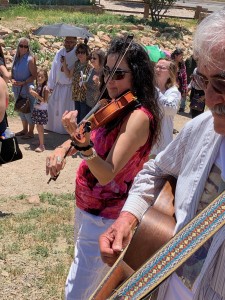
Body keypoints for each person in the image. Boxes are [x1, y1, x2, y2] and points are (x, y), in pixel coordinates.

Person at [99, 10, 225, 300]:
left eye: (221, 84)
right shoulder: (200, 129)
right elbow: (154, 170)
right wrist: (127, 219)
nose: (208, 99)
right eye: (203, 81)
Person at [46, 37, 161, 300]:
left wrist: (85, 149)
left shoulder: (138, 117)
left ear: (137, 76)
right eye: (107, 71)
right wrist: (62, 149)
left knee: (76, 292)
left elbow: (107, 173)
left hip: (106, 218)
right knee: (90, 284)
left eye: (119, 74)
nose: (110, 79)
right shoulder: (108, 105)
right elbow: (82, 134)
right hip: (87, 209)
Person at [45, 36, 77, 134]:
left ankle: (67, 129)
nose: (68, 43)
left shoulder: (77, 54)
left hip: (69, 87)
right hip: (58, 85)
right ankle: (55, 127)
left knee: (66, 109)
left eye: (71, 42)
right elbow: (54, 69)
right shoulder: (59, 53)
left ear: (75, 42)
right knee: (55, 107)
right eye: (66, 41)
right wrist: (50, 85)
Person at [151, 58, 181, 156]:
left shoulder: (173, 92)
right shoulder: (148, 89)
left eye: (162, 68)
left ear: (170, 73)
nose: (157, 69)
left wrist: (154, 90)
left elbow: (169, 109)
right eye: (157, 66)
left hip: (161, 143)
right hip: (145, 139)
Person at [11, 37, 37, 139]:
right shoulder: (16, 57)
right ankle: (24, 129)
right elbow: (12, 71)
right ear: (18, 46)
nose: (23, 48)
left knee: (28, 110)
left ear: (28, 48)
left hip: (26, 88)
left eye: (25, 46)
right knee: (21, 108)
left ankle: (30, 132)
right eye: (21, 46)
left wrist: (24, 82)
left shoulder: (30, 59)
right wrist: (12, 79)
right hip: (16, 87)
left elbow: (34, 75)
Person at [62, 43, 92, 124]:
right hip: (76, 94)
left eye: (82, 52)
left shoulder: (90, 66)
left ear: (87, 53)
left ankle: (81, 135)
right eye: (78, 52)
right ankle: (77, 134)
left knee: (83, 117)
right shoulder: (76, 63)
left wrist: (84, 81)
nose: (80, 54)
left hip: (84, 96)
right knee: (77, 116)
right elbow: (69, 75)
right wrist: (64, 63)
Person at [30, 69, 49, 152]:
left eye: (42, 76)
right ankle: (40, 141)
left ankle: (42, 145)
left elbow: (44, 100)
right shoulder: (38, 86)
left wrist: (36, 95)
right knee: (38, 126)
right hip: (37, 109)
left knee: (40, 127)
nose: (40, 78)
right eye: (39, 76)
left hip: (42, 110)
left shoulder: (45, 88)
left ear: (45, 78)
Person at [171, 48, 187, 113]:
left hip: (178, 87)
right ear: (175, 56)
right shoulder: (170, 63)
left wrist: (184, 89)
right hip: (169, 85)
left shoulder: (182, 65)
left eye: (182, 56)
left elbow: (184, 76)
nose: (182, 57)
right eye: (180, 56)